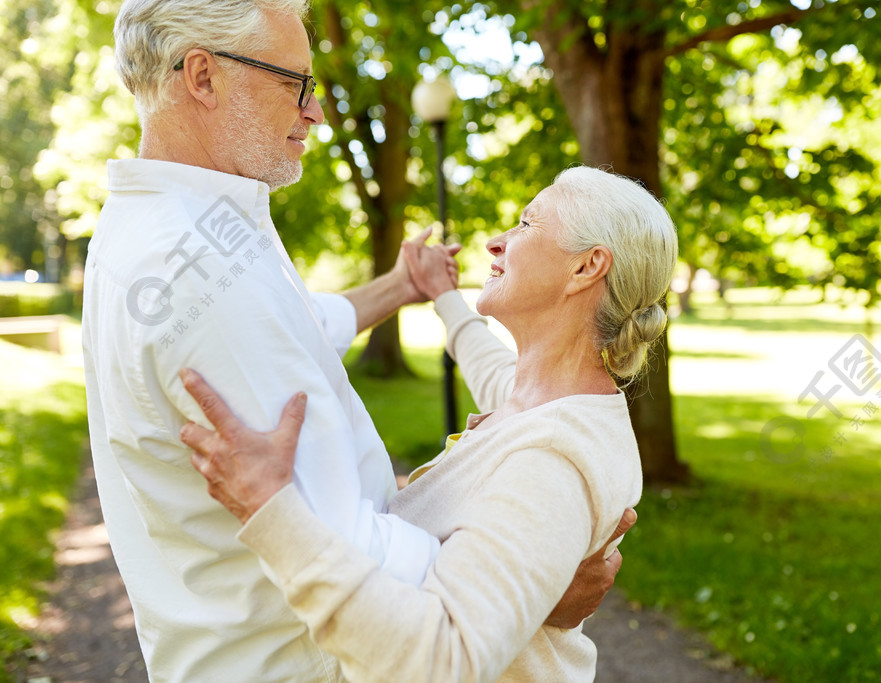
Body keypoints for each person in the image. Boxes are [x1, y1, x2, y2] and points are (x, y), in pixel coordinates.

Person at [84, 2, 626, 681]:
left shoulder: (174, 226)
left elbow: (295, 329)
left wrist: (400, 287)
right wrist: (533, 582)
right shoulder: (200, 280)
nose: (316, 114)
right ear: (202, 77)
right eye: (296, 84)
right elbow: (340, 540)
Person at [180, 165, 679, 681]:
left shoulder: (551, 456)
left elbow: (443, 661)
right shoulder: (534, 396)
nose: (495, 243)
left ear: (586, 267)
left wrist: (271, 510)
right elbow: (483, 357)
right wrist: (441, 294)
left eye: (527, 225)